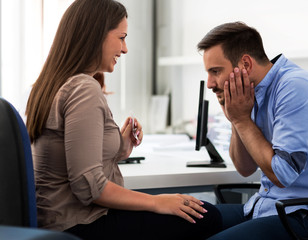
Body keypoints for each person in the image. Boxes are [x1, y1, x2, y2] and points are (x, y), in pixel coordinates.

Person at [25, 0, 222, 239]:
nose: (125, 48)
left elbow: (70, 163)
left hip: (55, 221)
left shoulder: (50, 85)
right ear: (96, 35)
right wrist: (157, 202)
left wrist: (119, 148)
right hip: (79, 224)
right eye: (121, 37)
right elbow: (90, 187)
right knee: (206, 216)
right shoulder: (83, 87)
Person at [197, 21, 308, 239]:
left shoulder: (296, 87)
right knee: (181, 221)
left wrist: (241, 120)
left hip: (307, 218)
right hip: (264, 208)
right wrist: (236, 119)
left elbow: (282, 173)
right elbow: (245, 168)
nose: (210, 83)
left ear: (246, 64)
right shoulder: (253, 94)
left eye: (216, 71)